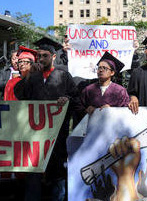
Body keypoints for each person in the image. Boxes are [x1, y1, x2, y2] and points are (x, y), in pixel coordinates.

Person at [14, 37, 79, 201]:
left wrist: (67, 99)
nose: (41, 59)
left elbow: (75, 98)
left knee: (57, 171)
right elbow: (19, 94)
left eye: (45, 56)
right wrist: (28, 76)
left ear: (54, 57)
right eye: (39, 56)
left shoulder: (63, 75)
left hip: (57, 133)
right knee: (34, 170)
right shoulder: (33, 76)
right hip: (35, 134)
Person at [80, 52, 130, 116]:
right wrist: (87, 110)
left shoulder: (120, 91)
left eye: (105, 68)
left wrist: (111, 110)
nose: (101, 70)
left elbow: (125, 111)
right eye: (99, 68)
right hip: (93, 124)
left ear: (112, 73)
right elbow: (79, 107)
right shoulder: (89, 89)